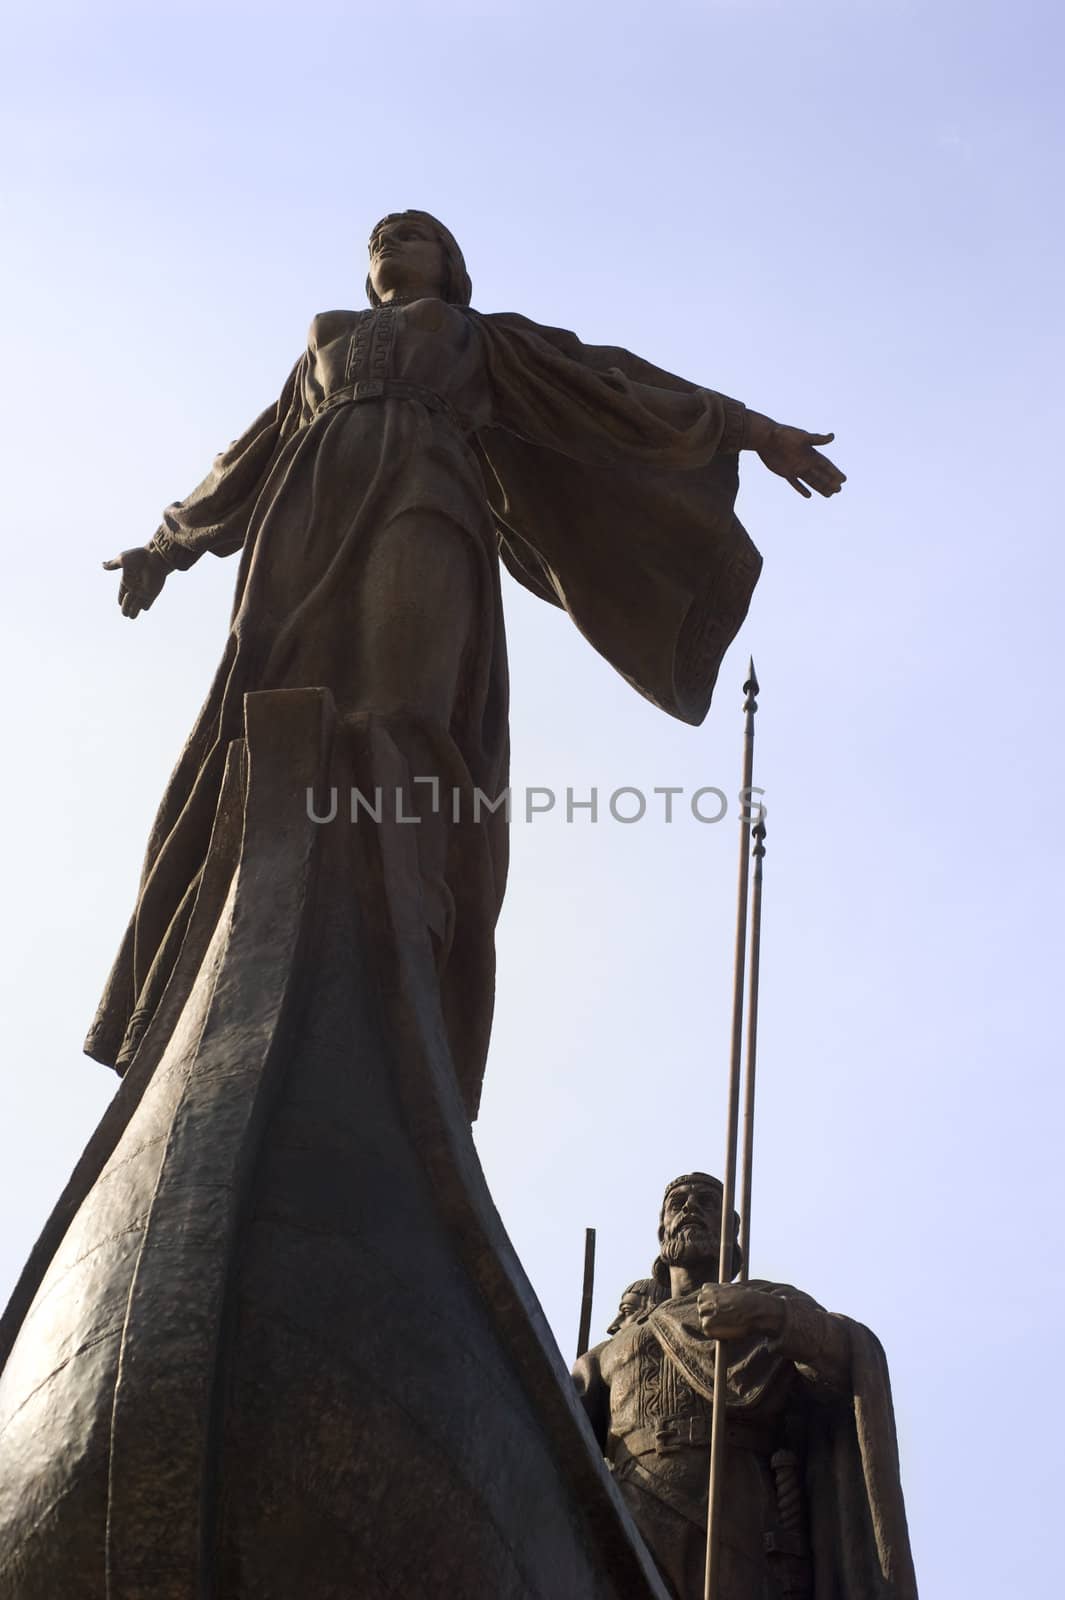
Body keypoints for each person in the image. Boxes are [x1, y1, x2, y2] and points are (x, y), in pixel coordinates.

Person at [89, 212, 845, 1117]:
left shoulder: (480, 341)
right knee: (266, 717)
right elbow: (249, 457)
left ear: (451, 266)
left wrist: (751, 431)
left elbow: (613, 387)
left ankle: (401, 893)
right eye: (378, 238)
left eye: (413, 234)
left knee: (405, 712)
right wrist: (164, 545)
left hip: (428, 491)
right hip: (304, 518)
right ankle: (259, 892)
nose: (388, 243)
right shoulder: (324, 339)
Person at [573, 1174, 917, 1600]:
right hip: (628, 1521)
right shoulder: (608, 1352)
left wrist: (770, 1315)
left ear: (730, 1232)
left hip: (737, 1528)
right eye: (677, 1202)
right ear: (662, 1231)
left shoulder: (762, 1304)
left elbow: (847, 1359)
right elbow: (557, 1428)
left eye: (706, 1201)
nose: (690, 1208)